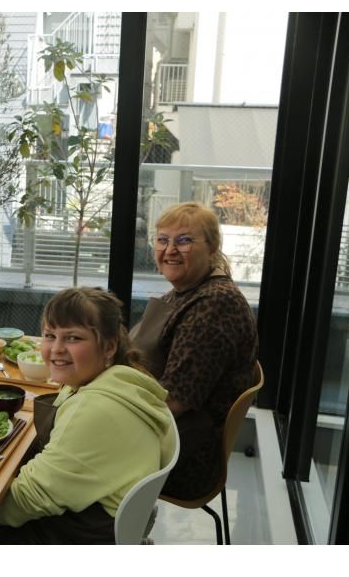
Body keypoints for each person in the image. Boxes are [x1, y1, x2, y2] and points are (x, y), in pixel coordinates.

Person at [0, 287, 175, 544]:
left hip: (78, 534)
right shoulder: (121, 379)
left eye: (73, 338)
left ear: (109, 346)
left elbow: (29, 499)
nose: (56, 349)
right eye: (50, 335)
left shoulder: (94, 408)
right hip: (104, 517)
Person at [130, 201, 258, 500]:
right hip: (170, 432)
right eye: (163, 239)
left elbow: (174, 401)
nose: (170, 250)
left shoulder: (215, 305)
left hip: (183, 454)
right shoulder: (188, 289)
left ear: (212, 247)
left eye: (184, 240)